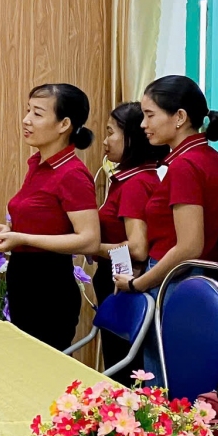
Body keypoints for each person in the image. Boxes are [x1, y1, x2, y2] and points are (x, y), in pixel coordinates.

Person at [0, 84, 101, 349]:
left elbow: (89, 240)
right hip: (23, 278)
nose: (26, 120)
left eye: (37, 114)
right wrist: (10, 232)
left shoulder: (72, 173)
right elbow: (41, 221)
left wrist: (22, 238)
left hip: (49, 286)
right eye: (28, 111)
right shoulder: (37, 164)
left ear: (64, 124)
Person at [114, 76, 218, 302]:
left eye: (150, 115)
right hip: (197, 275)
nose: (143, 124)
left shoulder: (185, 165)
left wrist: (137, 283)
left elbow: (189, 247)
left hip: (176, 278)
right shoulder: (211, 157)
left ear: (180, 117)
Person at [93, 103, 166, 365]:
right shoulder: (134, 177)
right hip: (117, 277)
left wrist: (90, 246)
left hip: (122, 282)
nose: (105, 141)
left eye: (110, 132)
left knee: (121, 366)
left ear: (132, 138)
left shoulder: (135, 184)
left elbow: (137, 248)